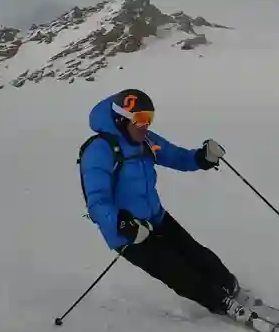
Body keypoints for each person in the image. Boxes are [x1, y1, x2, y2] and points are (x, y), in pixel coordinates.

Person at [79, 88, 241, 317]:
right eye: (141, 119)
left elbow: (176, 156)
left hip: (156, 218)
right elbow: (96, 202)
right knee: (178, 272)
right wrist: (122, 224)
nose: (146, 125)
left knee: (196, 253)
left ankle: (230, 287)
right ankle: (220, 302)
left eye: (149, 119)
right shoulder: (99, 150)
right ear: (121, 118)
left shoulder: (146, 140)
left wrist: (201, 157)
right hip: (128, 232)